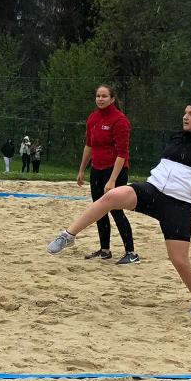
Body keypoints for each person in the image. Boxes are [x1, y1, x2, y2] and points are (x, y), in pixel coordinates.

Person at [47, 92, 191, 317]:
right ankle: (68, 235)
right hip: (152, 191)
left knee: (179, 259)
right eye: (185, 113)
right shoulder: (178, 137)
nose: (185, 117)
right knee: (112, 197)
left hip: (178, 204)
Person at [77, 84, 138, 264]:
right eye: (98, 96)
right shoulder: (93, 118)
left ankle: (131, 252)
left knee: (116, 211)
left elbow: (122, 153)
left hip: (115, 170)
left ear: (112, 99)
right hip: (97, 169)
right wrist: (82, 170)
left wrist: (112, 180)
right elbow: (89, 145)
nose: (100, 99)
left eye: (104, 96)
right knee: (98, 210)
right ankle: (105, 250)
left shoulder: (120, 120)